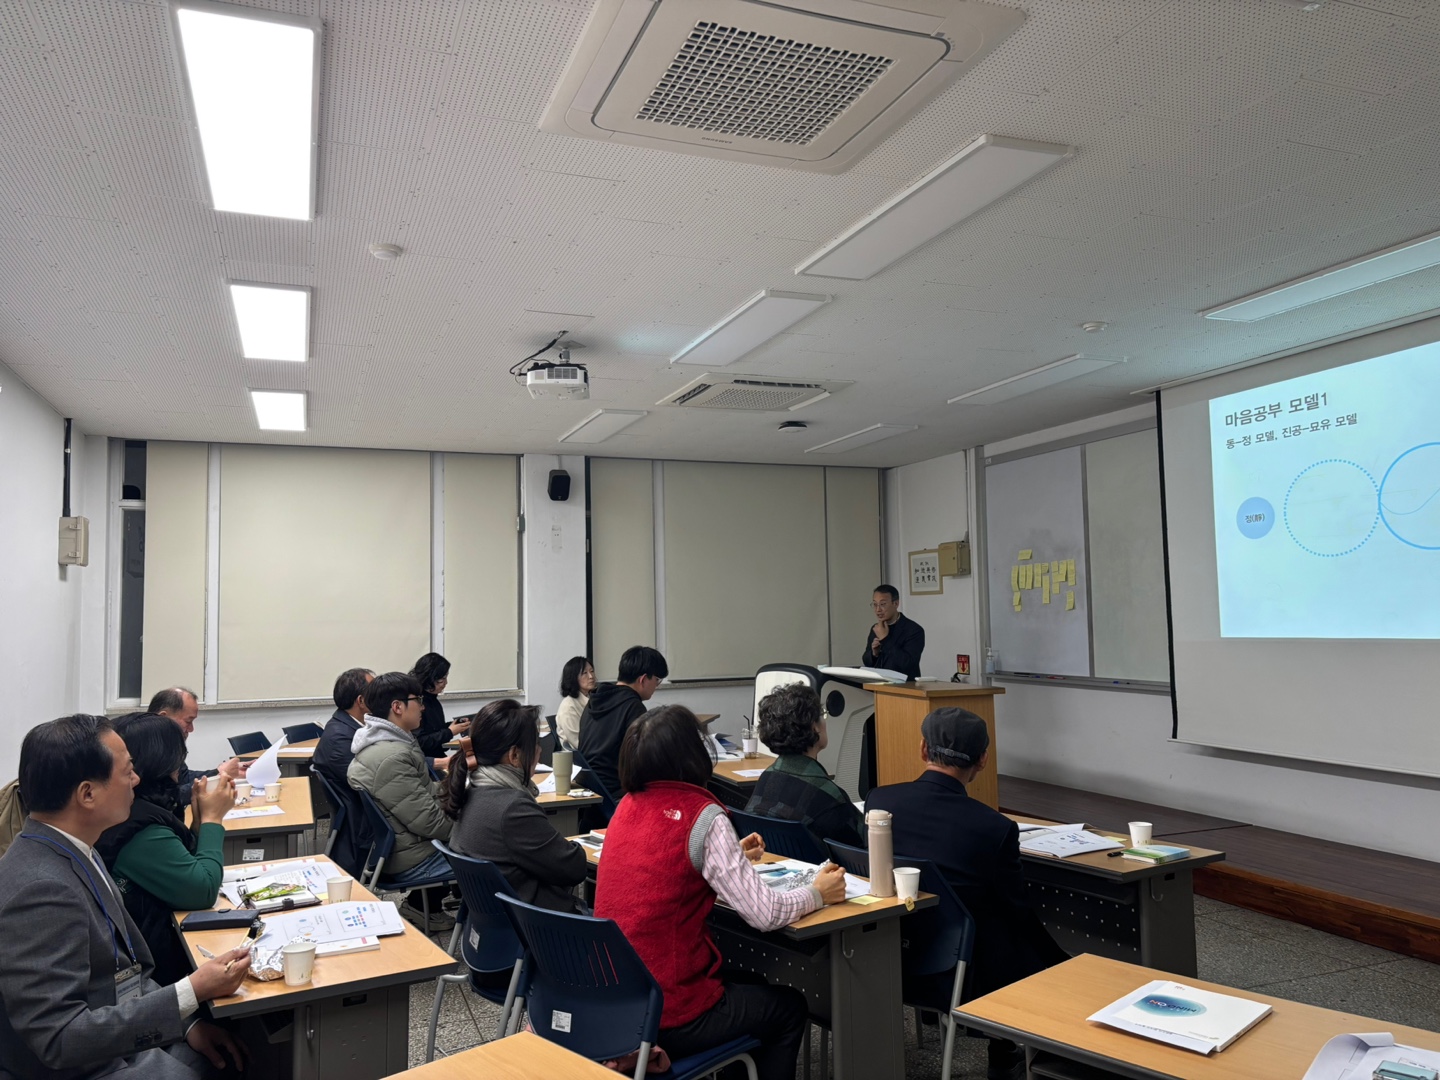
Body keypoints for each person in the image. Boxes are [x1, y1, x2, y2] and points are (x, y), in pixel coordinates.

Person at [594, 706, 846, 1080]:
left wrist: (727, 857)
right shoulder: (702, 815)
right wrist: (818, 893)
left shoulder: (625, 807)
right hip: (670, 1013)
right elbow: (765, 914)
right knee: (789, 1007)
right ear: (693, 754)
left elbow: (664, 864)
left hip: (618, 1005)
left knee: (754, 986)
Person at [0, 714, 252, 1080]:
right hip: (82, 1066)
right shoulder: (42, 888)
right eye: (127, 771)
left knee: (237, 1050)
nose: (136, 780)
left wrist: (186, 1021)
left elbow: (121, 973)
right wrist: (190, 992)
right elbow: (59, 1038)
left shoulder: (73, 849)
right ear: (88, 794)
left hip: (113, 1034)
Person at [865, 707, 1068, 1080]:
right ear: (983, 760)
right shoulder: (994, 827)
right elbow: (1017, 909)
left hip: (886, 952)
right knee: (1015, 935)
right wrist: (1061, 959)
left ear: (923, 749)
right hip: (960, 968)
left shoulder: (881, 802)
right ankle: (1009, 1051)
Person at [96, 714, 232, 986]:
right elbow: (202, 890)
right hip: (156, 971)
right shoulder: (138, 827)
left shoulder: (144, 807)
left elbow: (183, 862)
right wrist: (213, 819)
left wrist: (198, 823)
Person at [442, 699, 588, 914]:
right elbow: (573, 869)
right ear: (515, 755)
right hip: (540, 923)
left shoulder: (472, 790)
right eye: (536, 745)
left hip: (496, 921)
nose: (539, 751)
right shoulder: (512, 808)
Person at [347, 671, 456, 933]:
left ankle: (427, 907)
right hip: (411, 859)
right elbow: (430, 823)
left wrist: (456, 790)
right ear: (397, 707)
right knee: (495, 849)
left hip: (403, 848)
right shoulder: (392, 757)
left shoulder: (387, 743)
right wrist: (471, 827)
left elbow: (420, 791)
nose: (423, 706)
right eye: (418, 700)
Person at [745, 683, 864, 849]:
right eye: (822, 715)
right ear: (814, 728)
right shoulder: (827, 795)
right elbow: (862, 846)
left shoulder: (767, 777)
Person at [578, 645, 667, 803]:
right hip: (618, 795)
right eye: (657, 680)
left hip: (592, 792)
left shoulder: (594, 701)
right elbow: (644, 761)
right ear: (643, 679)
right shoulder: (633, 706)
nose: (656, 686)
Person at [313, 667, 376, 876]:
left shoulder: (351, 727)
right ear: (361, 701)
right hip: (362, 821)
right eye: (375, 691)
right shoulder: (340, 738)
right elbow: (372, 778)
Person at [148, 687, 246, 805]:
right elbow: (166, 798)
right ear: (164, 718)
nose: (191, 729)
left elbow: (184, 777)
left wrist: (218, 772)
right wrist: (218, 777)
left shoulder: (169, 744)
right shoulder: (144, 749)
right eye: (188, 721)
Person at [409, 653, 470, 761]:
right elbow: (419, 742)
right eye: (442, 679)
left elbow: (434, 730)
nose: (446, 683)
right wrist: (450, 732)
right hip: (424, 761)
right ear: (429, 678)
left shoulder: (433, 700)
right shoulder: (415, 703)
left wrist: (454, 725)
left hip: (437, 756)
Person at [862, 585, 925, 680]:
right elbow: (867, 662)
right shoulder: (876, 628)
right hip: (878, 684)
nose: (878, 610)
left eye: (883, 604)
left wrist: (885, 639)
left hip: (905, 685)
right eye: (875, 604)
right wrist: (874, 654)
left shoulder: (914, 630)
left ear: (896, 604)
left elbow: (907, 664)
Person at [554, 655, 595, 750]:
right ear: (573, 678)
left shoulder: (592, 698)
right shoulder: (568, 707)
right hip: (581, 755)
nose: (591, 676)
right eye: (585, 673)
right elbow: (579, 743)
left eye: (592, 671)